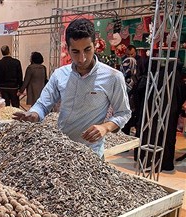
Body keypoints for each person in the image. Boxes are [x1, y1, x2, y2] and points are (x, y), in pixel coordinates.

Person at [13, 18, 131, 158]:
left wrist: (105, 127)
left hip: (91, 154)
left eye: (87, 50)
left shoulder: (113, 77)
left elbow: (123, 113)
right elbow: (43, 104)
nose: (82, 58)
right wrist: (33, 115)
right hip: (62, 150)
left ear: (95, 45)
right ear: (67, 49)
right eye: (75, 51)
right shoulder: (59, 75)